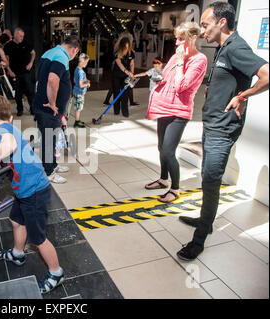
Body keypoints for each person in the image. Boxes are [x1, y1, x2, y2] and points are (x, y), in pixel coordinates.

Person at [176, 2, 269, 261]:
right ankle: (205, 219)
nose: (202, 30)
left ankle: (199, 239)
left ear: (222, 23)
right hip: (213, 125)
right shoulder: (223, 48)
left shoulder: (237, 47)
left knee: (211, 181)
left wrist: (244, 95)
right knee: (208, 178)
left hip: (222, 129)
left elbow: (267, 74)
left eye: (205, 25)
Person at [0, 95, 65, 294]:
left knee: (39, 238)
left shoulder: (5, 131)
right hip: (24, 191)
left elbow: (8, 147)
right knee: (15, 221)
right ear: (11, 117)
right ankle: (18, 253)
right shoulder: (7, 130)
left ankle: (56, 273)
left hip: (35, 192)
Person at [144, 22, 208, 203]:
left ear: (193, 38)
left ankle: (175, 188)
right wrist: (158, 78)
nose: (178, 43)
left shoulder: (199, 59)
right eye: (177, 38)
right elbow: (166, 76)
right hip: (163, 106)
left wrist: (181, 62)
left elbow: (181, 86)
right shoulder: (175, 57)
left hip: (179, 110)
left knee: (168, 151)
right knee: (160, 147)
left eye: (182, 38)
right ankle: (163, 179)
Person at [33, 36, 81, 184]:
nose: (74, 56)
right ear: (74, 49)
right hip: (48, 109)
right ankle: (48, 172)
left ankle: (52, 165)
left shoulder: (50, 52)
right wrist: (53, 103)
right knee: (49, 139)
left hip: (43, 106)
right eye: (76, 53)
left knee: (51, 139)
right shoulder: (62, 56)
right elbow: (52, 80)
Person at [4, 28, 36, 116]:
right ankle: (20, 109)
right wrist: (9, 71)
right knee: (18, 92)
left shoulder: (26, 43)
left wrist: (31, 63)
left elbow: (33, 53)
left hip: (26, 72)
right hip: (15, 73)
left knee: (30, 91)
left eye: (23, 36)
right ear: (15, 35)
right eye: (20, 36)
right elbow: (6, 60)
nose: (22, 38)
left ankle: (32, 109)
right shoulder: (8, 46)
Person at [111, 36, 135, 117]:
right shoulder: (117, 53)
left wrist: (132, 73)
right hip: (116, 75)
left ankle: (125, 112)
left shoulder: (131, 53)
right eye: (125, 46)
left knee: (125, 94)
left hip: (126, 76)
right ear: (122, 46)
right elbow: (120, 65)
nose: (127, 48)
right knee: (116, 93)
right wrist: (128, 72)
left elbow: (132, 64)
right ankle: (116, 111)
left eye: (128, 46)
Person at [72, 53, 91, 128]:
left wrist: (86, 80)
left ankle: (78, 120)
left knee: (78, 107)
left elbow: (75, 80)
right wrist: (87, 84)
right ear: (82, 61)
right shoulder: (81, 72)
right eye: (86, 62)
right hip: (79, 92)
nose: (86, 64)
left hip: (77, 91)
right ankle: (76, 122)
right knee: (78, 108)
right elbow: (80, 84)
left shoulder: (77, 69)